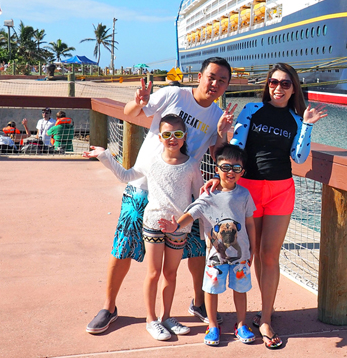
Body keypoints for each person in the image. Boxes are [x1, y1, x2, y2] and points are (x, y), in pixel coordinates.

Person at [85, 57, 236, 335]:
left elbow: (218, 154)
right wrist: (138, 102)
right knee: (123, 245)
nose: (215, 84)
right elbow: (131, 112)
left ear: (227, 85)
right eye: (211, 77)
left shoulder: (217, 116)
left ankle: (198, 303)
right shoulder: (174, 94)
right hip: (142, 186)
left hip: (183, 196)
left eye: (222, 80)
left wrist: (222, 135)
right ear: (200, 76)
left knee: (196, 249)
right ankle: (109, 306)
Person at [220, 62, 327, 348]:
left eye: (285, 83)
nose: (278, 88)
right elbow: (236, 149)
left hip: (281, 190)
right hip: (248, 190)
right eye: (274, 82)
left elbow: (299, 157)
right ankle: (242, 318)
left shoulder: (295, 119)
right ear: (267, 85)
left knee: (270, 255)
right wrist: (223, 175)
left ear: (294, 89)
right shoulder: (252, 111)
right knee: (247, 254)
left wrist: (307, 125)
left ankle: (265, 317)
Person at [85, 115, 202, 340]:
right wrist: (104, 155)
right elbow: (125, 175)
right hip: (153, 224)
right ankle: (151, 319)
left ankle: (166, 316)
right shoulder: (151, 161)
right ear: (159, 137)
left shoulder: (192, 165)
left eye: (178, 134)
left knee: (170, 273)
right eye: (167, 134)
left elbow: (199, 199)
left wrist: (184, 223)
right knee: (154, 272)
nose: (172, 138)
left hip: (179, 228)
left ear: (185, 137)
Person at [159, 144, 256, 346]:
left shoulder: (245, 195)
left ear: (242, 172)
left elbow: (249, 224)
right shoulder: (208, 195)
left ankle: (241, 324)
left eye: (236, 168)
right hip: (215, 258)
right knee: (211, 290)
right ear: (217, 169)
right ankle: (212, 326)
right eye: (225, 167)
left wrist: (252, 249)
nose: (230, 172)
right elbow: (191, 214)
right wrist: (176, 225)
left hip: (241, 256)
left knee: (240, 290)